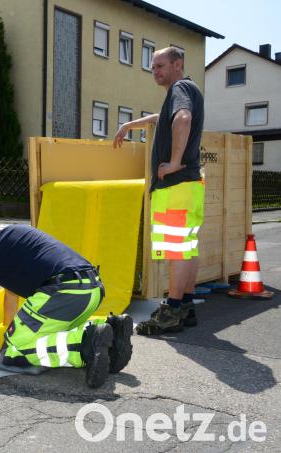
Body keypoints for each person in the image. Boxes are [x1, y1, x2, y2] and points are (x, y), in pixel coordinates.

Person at [0, 210, 133, 388]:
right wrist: (10, 332)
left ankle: (86, 344)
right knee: (38, 338)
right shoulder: (1, 234)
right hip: (92, 289)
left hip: (64, 291)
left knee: (13, 352)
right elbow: (11, 294)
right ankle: (113, 336)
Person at [113, 47, 204, 335]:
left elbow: (182, 119)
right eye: (153, 67)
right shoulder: (186, 89)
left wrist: (175, 162)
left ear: (178, 64)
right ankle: (186, 306)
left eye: (161, 66)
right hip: (189, 186)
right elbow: (160, 117)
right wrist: (129, 124)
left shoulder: (179, 88)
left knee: (177, 249)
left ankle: (172, 310)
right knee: (187, 248)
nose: (156, 71)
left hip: (176, 185)